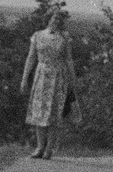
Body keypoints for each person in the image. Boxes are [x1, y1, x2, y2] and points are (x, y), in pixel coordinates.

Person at [19, 9, 77, 160]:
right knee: (39, 111)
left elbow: (69, 59)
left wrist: (72, 78)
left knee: (54, 113)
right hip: (42, 75)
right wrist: (25, 78)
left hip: (58, 76)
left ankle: (49, 149)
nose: (56, 21)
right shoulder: (37, 35)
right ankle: (39, 147)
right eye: (54, 18)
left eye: (59, 19)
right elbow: (31, 58)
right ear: (48, 19)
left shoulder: (64, 37)